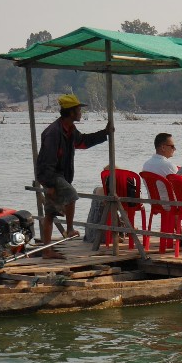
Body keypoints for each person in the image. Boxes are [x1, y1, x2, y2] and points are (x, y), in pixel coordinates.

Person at [35, 93, 113, 256]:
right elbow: (46, 160)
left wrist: (104, 133)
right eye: (78, 110)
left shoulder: (70, 129)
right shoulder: (54, 132)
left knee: (49, 213)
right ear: (71, 112)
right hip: (52, 175)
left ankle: (46, 250)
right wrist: (49, 185)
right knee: (71, 194)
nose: (80, 113)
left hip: (59, 174)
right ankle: (69, 229)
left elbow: (82, 142)